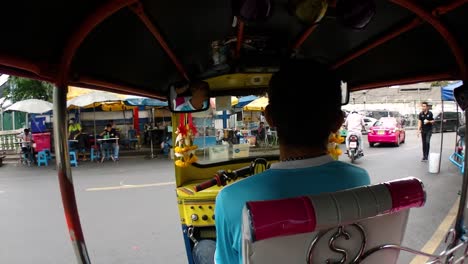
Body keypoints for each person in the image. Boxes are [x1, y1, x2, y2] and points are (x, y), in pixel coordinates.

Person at [193, 59, 370, 264]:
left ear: (269, 118)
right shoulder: (359, 180)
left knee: (204, 249)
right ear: (339, 121)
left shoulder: (231, 199)